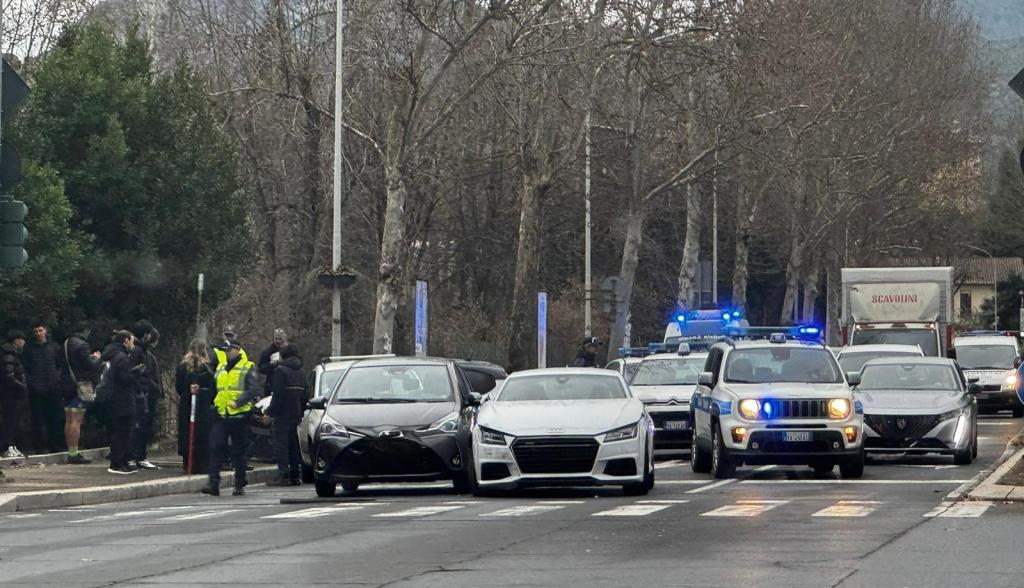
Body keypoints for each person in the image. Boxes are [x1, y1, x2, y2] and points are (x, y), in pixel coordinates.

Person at [202, 339, 259, 497]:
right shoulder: (220, 367)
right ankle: (213, 483)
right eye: (224, 350)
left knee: (238, 451)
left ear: (237, 349)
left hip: (240, 416)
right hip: (222, 414)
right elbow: (216, 389)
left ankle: (239, 484)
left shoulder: (248, 367)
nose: (226, 353)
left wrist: (238, 402)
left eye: (229, 350)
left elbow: (253, 390)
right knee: (215, 446)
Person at [265, 344, 304, 486]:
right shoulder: (300, 371)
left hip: (282, 414)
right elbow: (304, 394)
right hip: (296, 413)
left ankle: (284, 474)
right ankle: (296, 474)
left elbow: (278, 395)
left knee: (281, 444)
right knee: (294, 444)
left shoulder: (280, 371)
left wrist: (269, 411)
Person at [22, 321, 64, 453]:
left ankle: (56, 445)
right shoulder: (29, 348)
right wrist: (31, 383)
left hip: (53, 387)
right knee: (38, 420)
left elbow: (60, 365)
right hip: (36, 388)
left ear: (45, 330)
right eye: (36, 331)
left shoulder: (54, 347)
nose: (38, 334)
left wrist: (57, 380)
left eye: (40, 330)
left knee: (55, 419)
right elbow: (26, 368)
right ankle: (40, 447)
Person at [62, 323, 101, 464]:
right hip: (80, 385)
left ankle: (71, 450)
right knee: (76, 420)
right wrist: (96, 358)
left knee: (69, 419)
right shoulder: (82, 345)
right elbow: (90, 366)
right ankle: (73, 453)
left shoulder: (66, 343)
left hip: (66, 384)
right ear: (86, 330)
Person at [175, 339, 216, 474]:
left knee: (188, 432)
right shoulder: (207, 368)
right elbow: (212, 388)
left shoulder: (182, 366)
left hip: (186, 405)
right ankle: (201, 464)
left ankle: (188, 464)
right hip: (201, 406)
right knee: (201, 433)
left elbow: (179, 387)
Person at [102, 331, 138, 474]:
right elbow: (124, 379)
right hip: (123, 400)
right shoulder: (122, 357)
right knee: (123, 432)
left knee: (117, 432)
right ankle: (118, 463)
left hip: (111, 399)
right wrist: (135, 374)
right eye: (132, 341)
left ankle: (119, 461)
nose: (133, 345)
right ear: (126, 341)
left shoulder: (109, 355)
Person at [130, 320, 162, 470]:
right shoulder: (138, 351)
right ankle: (138, 456)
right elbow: (140, 374)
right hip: (143, 393)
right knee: (140, 426)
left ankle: (139, 456)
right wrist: (151, 387)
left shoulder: (142, 350)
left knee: (144, 426)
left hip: (146, 392)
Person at [0, 330, 27, 458]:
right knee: (10, 420)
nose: (23, 342)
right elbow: (9, 375)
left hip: (11, 392)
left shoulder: (11, 353)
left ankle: (10, 445)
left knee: (12, 420)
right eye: (22, 339)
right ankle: (7, 446)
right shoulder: (9, 354)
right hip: (11, 393)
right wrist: (22, 386)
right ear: (16, 340)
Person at [257, 329, 288, 398]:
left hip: (286, 384)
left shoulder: (289, 351)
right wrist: (270, 364)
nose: (278, 341)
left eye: (280, 339)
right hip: (271, 384)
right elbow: (260, 368)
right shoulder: (268, 352)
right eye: (276, 338)